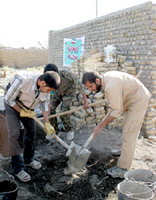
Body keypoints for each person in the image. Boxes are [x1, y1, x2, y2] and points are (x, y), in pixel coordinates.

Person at [82, 70, 151, 178]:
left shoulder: (111, 85)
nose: (91, 90)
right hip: (132, 98)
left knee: (130, 133)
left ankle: (123, 168)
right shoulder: (106, 79)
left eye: (91, 86)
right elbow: (114, 107)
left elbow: (116, 111)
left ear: (97, 80)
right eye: (89, 88)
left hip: (138, 100)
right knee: (126, 127)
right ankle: (124, 151)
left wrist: (100, 126)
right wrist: (100, 125)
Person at [4, 71, 60, 182]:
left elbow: (44, 104)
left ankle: (29, 160)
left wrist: (47, 123)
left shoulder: (46, 88)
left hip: (29, 107)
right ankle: (18, 168)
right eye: (49, 90)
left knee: (31, 132)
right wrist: (22, 112)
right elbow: (8, 99)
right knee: (13, 134)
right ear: (42, 83)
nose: (49, 92)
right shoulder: (22, 80)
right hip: (13, 105)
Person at [44, 64, 88, 140]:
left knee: (63, 111)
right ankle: (54, 131)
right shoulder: (46, 78)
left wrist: (85, 100)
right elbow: (48, 91)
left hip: (69, 92)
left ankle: (69, 130)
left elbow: (79, 85)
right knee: (50, 110)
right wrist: (48, 103)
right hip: (57, 92)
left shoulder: (66, 74)